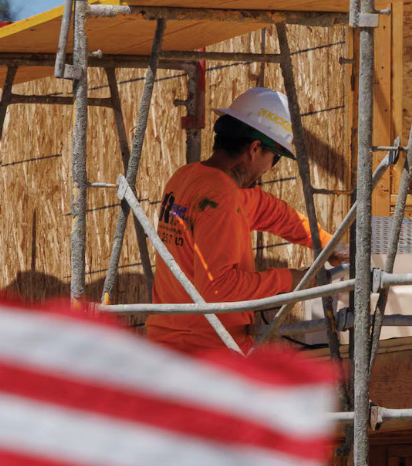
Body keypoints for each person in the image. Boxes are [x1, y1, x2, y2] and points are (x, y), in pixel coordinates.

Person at [145, 87, 338, 354]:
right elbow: (218, 289)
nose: (271, 168)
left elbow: (274, 213)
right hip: (207, 352)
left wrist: (328, 244)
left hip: (167, 344)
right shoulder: (220, 195)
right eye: (275, 158)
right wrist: (291, 279)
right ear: (255, 148)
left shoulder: (188, 176)